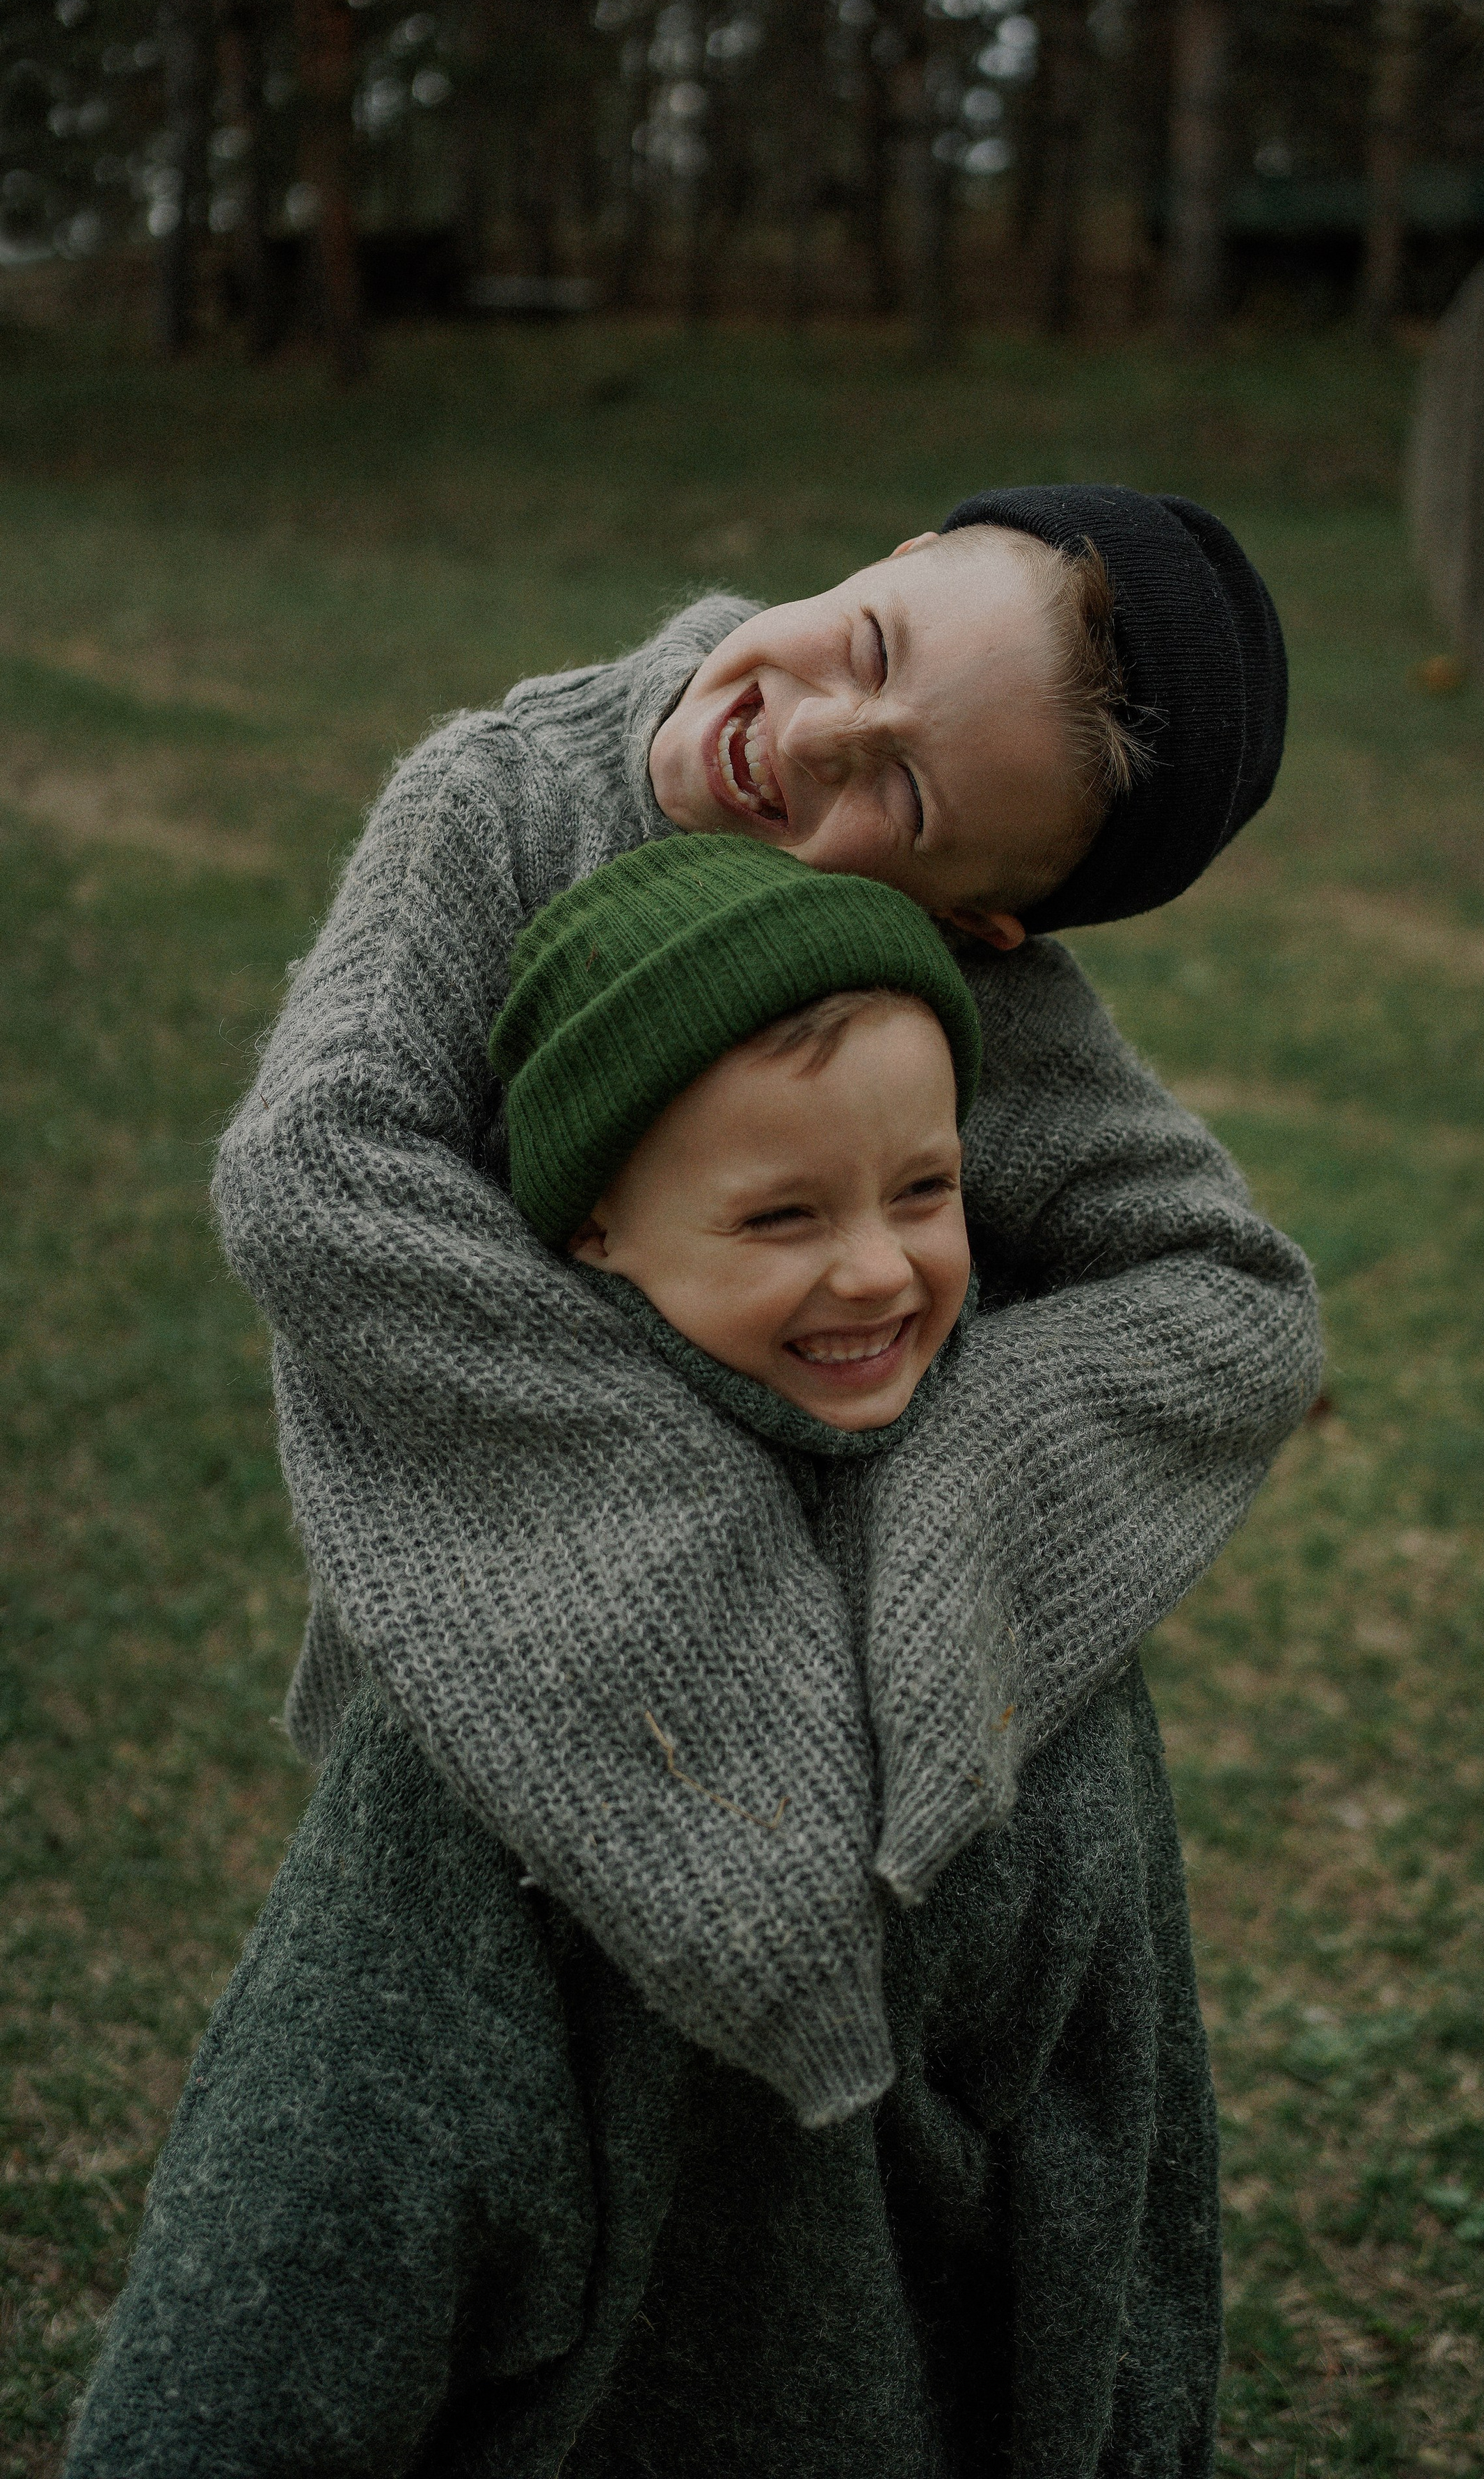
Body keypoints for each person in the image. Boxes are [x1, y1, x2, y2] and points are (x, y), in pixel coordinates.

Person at [63, 841, 1224, 2478]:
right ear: (594, 1226)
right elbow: (312, 2206)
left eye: (924, 1188)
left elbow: (1121, 2109)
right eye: (778, 1215)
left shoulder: (1031, 1569)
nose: (880, 1271)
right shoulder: (503, 1677)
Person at [198, 481, 1323, 2130]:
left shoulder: (929, 975)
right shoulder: (500, 804)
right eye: (868, 645)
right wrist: (694, 1491)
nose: (811, 735)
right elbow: (314, 1170)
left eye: (906, 792)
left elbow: (1230, 1296)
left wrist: (945, 1508)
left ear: (969, 926)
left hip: (873, 1734)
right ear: (899, 556)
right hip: (511, 1622)